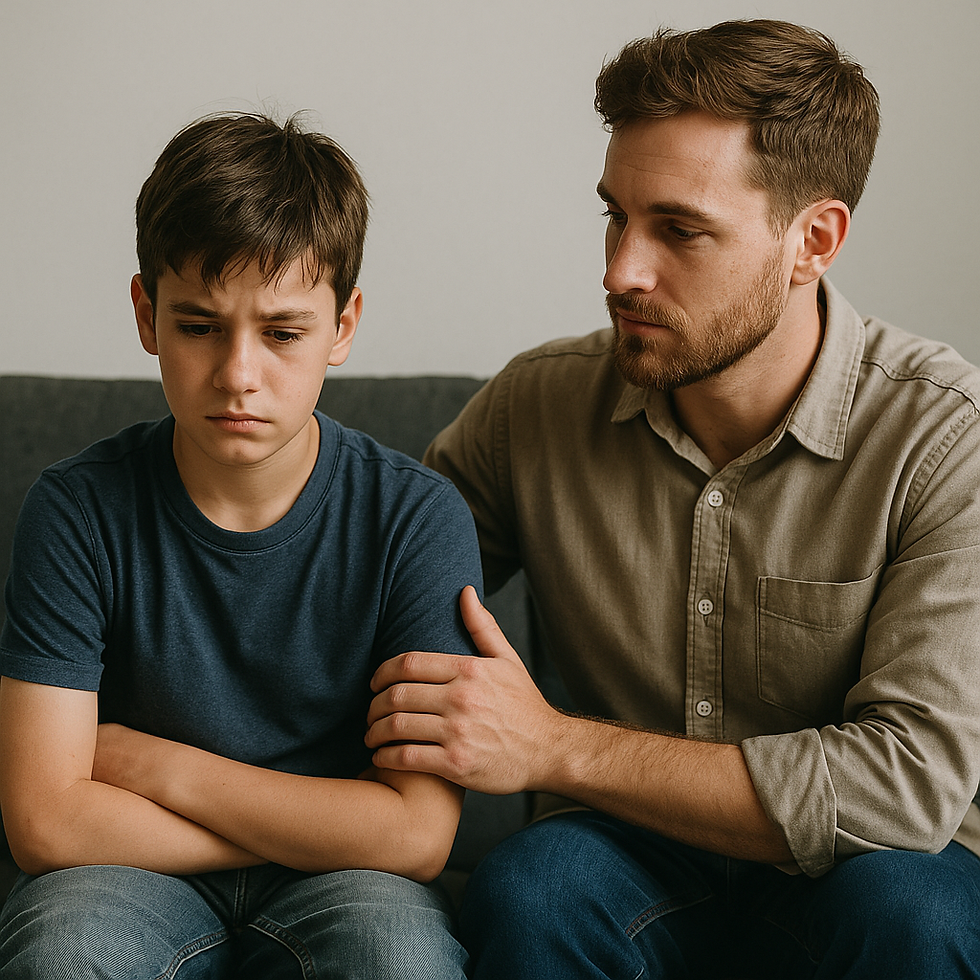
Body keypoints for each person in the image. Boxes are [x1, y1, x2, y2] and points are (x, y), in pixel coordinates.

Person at [364, 20, 980, 978]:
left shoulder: (943, 436)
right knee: (532, 890)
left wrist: (556, 748)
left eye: (679, 230)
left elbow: (902, 787)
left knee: (913, 913)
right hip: (624, 856)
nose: (620, 272)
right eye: (616, 216)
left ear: (812, 239)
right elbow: (363, 609)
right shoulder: (534, 408)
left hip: (871, 869)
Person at [0, 112, 479, 979]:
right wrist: (312, 823)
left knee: (399, 956)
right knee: (65, 952)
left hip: (346, 881)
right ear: (146, 315)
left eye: (284, 333)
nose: (238, 375)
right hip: (126, 870)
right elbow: (45, 824)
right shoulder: (76, 509)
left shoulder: (417, 516)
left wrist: (157, 766)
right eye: (199, 326)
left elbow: (416, 833)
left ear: (343, 325)